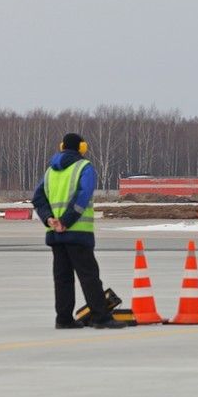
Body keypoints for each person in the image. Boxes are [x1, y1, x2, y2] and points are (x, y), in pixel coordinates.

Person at [32, 133, 127, 329]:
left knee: (62, 278)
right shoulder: (84, 167)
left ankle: (64, 319)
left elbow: (38, 198)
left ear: (62, 146)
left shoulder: (50, 171)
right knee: (89, 276)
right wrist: (66, 221)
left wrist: (49, 218)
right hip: (77, 232)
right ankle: (101, 317)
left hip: (55, 234)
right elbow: (83, 196)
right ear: (81, 148)